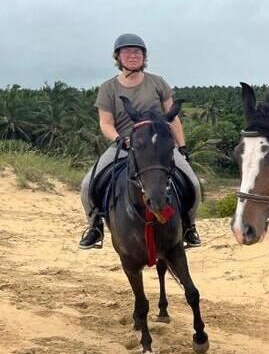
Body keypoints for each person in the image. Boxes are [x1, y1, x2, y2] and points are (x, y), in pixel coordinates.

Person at [78, 33, 202, 249]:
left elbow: (172, 117)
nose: (133, 55)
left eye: (138, 52)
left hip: (158, 146)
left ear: (144, 57)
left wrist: (181, 147)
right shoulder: (108, 88)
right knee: (88, 184)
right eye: (127, 51)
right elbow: (105, 122)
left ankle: (189, 227)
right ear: (118, 57)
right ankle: (95, 227)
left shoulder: (157, 82)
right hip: (124, 144)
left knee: (192, 182)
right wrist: (119, 139)